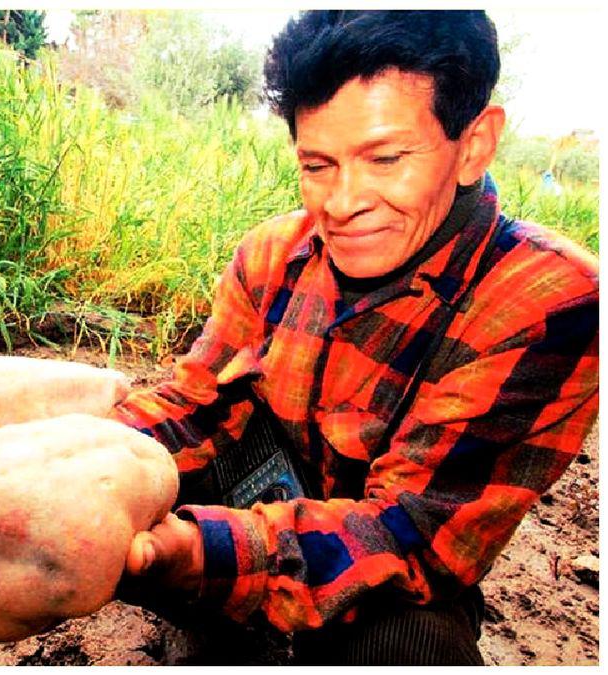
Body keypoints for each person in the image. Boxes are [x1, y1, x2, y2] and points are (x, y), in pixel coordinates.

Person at [110, 10, 598, 666]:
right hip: (255, 507)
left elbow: (412, 534)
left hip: (389, 565)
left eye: (386, 159)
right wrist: (88, 455)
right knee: (120, 493)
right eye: (318, 165)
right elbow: (194, 404)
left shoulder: (547, 301)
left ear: (474, 145)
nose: (341, 203)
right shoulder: (272, 253)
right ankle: (220, 637)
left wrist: (198, 554)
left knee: (410, 645)